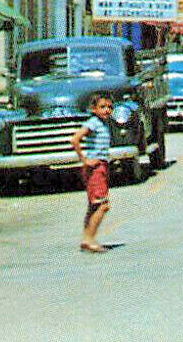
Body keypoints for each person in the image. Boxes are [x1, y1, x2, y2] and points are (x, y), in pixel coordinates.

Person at [69, 92, 114, 253]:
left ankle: (86, 239)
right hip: (95, 168)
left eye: (110, 107)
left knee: (93, 205)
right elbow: (75, 139)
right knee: (103, 205)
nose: (107, 110)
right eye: (102, 107)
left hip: (101, 166)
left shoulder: (103, 124)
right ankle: (89, 239)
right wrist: (84, 159)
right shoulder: (93, 123)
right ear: (93, 109)